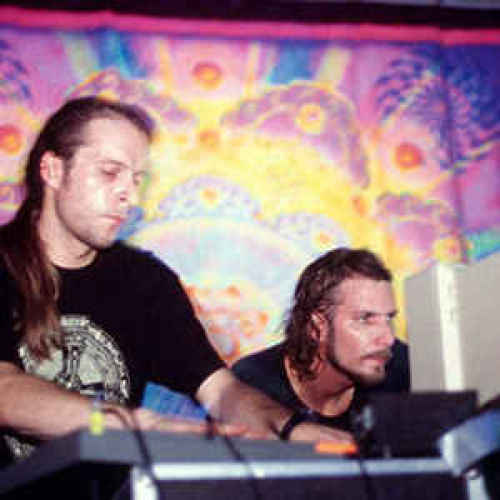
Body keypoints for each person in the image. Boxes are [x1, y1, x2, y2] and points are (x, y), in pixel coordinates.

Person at [0, 97, 350, 475]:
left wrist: (290, 428)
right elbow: (5, 392)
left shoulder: (145, 281)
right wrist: (140, 425)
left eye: (136, 180)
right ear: (52, 170)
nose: (130, 196)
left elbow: (220, 391)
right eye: (110, 172)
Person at [232, 248, 410, 441]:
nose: (388, 338)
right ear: (318, 326)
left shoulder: (403, 369)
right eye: (365, 319)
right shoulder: (251, 385)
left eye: (389, 319)